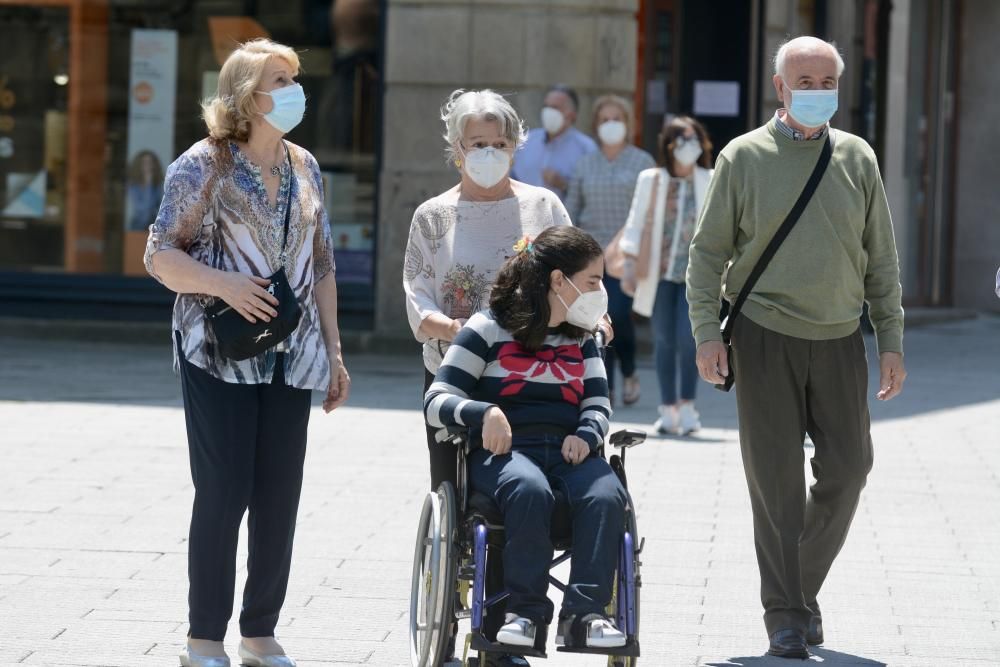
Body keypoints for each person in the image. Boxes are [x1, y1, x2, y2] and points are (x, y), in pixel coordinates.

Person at [686, 36, 906, 659]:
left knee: (849, 468)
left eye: (825, 81)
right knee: (775, 483)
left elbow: (881, 259)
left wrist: (890, 338)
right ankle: (785, 616)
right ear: (780, 88)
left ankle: (797, 591)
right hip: (763, 335)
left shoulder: (858, 158)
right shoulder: (742, 157)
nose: (815, 92)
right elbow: (706, 256)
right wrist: (707, 333)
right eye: (802, 81)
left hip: (840, 338)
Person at [144, 39, 351, 667]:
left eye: (294, 77)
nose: (293, 89)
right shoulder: (201, 165)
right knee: (224, 492)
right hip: (217, 353)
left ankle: (259, 633)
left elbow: (321, 266)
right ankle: (203, 638)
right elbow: (159, 255)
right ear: (243, 96)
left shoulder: (306, 166)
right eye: (278, 79)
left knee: (279, 496)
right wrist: (225, 283)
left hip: (293, 354)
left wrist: (335, 353)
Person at [425, 225, 629, 651]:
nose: (600, 290)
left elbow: (598, 403)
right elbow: (437, 399)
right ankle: (524, 613)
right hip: (505, 453)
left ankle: (586, 615)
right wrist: (484, 413)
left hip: (569, 451)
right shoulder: (487, 329)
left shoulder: (583, 337)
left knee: (606, 494)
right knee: (528, 488)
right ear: (560, 281)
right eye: (593, 280)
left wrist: (587, 433)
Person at [619, 115, 714, 435]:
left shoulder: (710, 178)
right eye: (682, 139)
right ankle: (668, 408)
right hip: (658, 274)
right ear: (669, 145)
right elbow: (635, 221)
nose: (689, 146)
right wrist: (629, 264)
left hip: (695, 275)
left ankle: (688, 406)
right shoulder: (652, 179)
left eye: (694, 139)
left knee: (689, 340)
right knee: (663, 340)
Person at [565, 95, 655, 406]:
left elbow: (649, 211)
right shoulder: (585, 163)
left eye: (617, 118)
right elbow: (573, 207)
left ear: (628, 125)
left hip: (625, 255)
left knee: (616, 315)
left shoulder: (642, 162)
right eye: (604, 119)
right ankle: (607, 387)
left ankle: (628, 371)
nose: (610, 124)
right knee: (594, 319)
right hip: (588, 254)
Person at [510, 84, 597, 200]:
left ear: (572, 115)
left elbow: (592, 194)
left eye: (556, 108)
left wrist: (564, 185)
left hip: (564, 216)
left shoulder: (586, 148)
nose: (549, 112)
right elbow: (510, 179)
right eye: (546, 106)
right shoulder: (526, 140)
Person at [126, 150, 165, 231]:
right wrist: (148, 184)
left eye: (150, 163)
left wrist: (150, 183)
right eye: (145, 163)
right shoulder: (133, 185)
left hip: (154, 224)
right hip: (137, 224)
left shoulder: (158, 185)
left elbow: (158, 207)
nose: (148, 166)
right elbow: (142, 208)